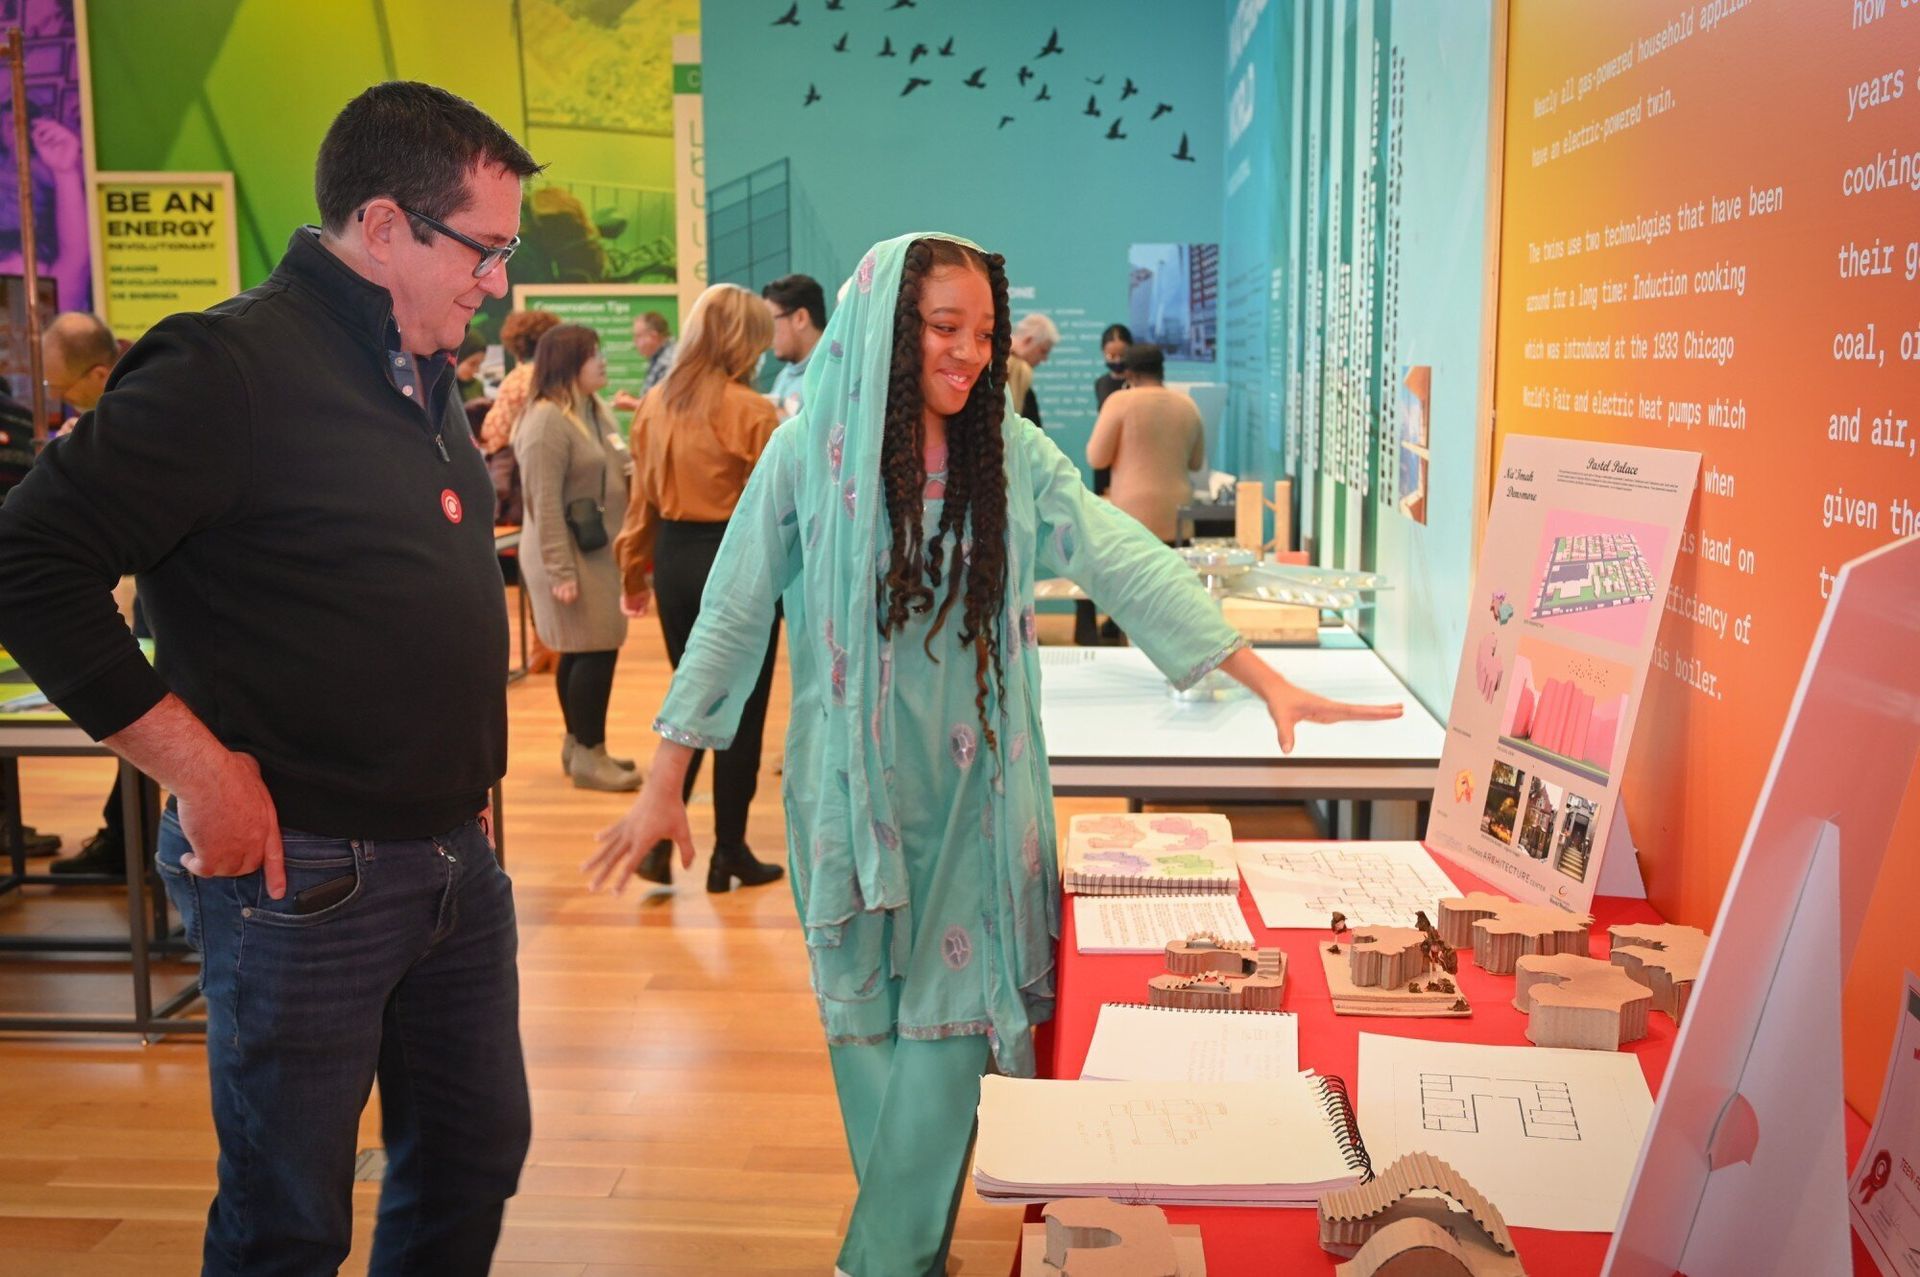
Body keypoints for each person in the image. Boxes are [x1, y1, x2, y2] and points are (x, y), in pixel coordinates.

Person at [583, 233, 1402, 1276]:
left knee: (955, 1031)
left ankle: (882, 1260)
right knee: (868, 1027)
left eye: (984, 332)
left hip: (978, 793)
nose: (970, 353)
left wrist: (1257, 669)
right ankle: (907, 1253)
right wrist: (666, 779)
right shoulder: (807, 452)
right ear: (889, 324)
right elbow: (736, 613)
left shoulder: (1006, 453)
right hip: (850, 795)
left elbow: (1110, 547)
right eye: (945, 327)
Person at [0, 81, 539, 1273]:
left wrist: (457, 775)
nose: (495, 278)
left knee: (473, 1146)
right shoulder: (230, 365)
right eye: (484, 248)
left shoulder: (422, 367)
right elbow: (29, 557)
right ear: (386, 225)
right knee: (290, 1210)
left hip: (453, 855)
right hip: (303, 875)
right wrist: (197, 770)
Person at [614, 283, 785, 891]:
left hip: (674, 561)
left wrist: (634, 572)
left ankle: (661, 845)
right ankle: (728, 853)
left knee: (692, 695)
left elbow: (641, 504)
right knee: (741, 705)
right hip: (735, 561)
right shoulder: (752, 410)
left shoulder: (656, 402)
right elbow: (779, 510)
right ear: (746, 342)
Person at [514, 323, 640, 792]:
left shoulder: (592, 408)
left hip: (597, 547)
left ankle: (580, 745)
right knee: (595, 647)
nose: (603, 361)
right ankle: (591, 753)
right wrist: (560, 571)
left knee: (585, 645)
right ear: (569, 365)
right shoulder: (546, 420)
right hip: (565, 552)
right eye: (593, 355)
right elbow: (542, 502)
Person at [1085, 343, 1206, 645]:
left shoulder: (1119, 402)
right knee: (1171, 604)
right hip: (1177, 522)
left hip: (1129, 522)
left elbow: (1096, 458)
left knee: (1132, 604)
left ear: (1129, 372)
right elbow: (1196, 462)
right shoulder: (1187, 405)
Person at [1079, 321, 1134, 643]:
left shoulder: (1139, 386)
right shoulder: (1103, 384)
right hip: (1106, 469)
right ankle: (1111, 617)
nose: (1114, 359)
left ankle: (1122, 618)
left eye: (1121, 354)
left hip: (1131, 467)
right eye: (1109, 354)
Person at [761, 272, 826, 421]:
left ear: (800, 318)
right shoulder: (783, 377)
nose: (767, 335)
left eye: (771, 322)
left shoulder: (832, 371)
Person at [613, 311, 676, 410]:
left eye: (638, 336)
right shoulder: (659, 358)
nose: (634, 343)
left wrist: (633, 403)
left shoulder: (668, 361)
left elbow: (665, 407)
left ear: (653, 336)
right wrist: (632, 400)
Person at [1005, 311, 1057, 427]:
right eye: (1043, 351)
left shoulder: (993, 358)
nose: (1044, 359)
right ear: (1028, 340)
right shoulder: (1020, 371)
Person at [1092, 321, 1132, 409]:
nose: (1117, 361)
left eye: (1122, 355)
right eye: (1111, 356)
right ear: (1103, 352)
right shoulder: (1101, 383)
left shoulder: (1140, 381)